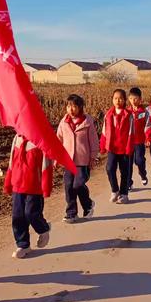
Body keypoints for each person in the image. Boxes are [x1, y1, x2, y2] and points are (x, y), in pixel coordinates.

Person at [4, 134, 53, 259]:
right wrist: (8, 182)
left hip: (34, 187)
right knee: (17, 216)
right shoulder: (17, 138)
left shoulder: (40, 139)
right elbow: (11, 161)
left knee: (31, 213)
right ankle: (23, 244)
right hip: (17, 185)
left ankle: (43, 228)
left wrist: (46, 187)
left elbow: (46, 165)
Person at [57, 94, 100, 223]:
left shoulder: (87, 122)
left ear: (80, 107)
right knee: (69, 186)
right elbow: (58, 140)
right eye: (69, 106)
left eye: (74, 106)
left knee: (78, 184)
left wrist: (93, 157)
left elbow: (93, 141)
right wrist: (56, 158)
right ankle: (71, 213)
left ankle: (88, 204)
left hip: (83, 161)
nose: (71, 109)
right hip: (68, 161)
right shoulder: (64, 122)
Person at [100, 89, 134, 203]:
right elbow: (104, 131)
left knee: (124, 172)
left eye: (120, 98)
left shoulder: (129, 115)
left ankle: (124, 194)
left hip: (124, 148)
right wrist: (103, 145)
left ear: (124, 100)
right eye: (115, 98)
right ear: (112, 100)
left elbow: (131, 132)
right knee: (109, 168)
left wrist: (129, 147)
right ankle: (115, 190)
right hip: (112, 147)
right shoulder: (108, 114)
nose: (118, 100)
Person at [127, 87, 148, 189]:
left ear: (140, 99)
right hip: (128, 142)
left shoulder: (144, 112)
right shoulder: (126, 112)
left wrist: (148, 138)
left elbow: (148, 126)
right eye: (131, 99)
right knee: (128, 163)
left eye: (135, 99)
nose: (133, 101)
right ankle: (129, 182)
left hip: (139, 141)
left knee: (139, 160)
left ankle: (143, 173)